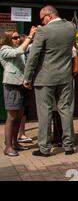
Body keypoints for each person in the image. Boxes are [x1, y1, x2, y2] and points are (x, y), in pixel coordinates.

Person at [23, 5, 77, 157]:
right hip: (65, 77)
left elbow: (33, 56)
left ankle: (44, 149)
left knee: (44, 112)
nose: (42, 21)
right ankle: (69, 146)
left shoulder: (43, 31)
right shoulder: (71, 27)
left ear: (49, 16)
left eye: (42, 18)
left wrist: (27, 77)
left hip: (45, 78)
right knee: (66, 110)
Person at [0, 27, 37, 156]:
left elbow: (25, 49)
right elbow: (20, 51)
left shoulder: (18, 49)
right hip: (12, 85)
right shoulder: (4, 49)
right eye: (14, 38)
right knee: (11, 117)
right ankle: (8, 146)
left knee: (19, 116)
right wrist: (30, 35)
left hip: (22, 86)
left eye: (17, 37)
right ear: (7, 40)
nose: (17, 39)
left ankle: (15, 143)